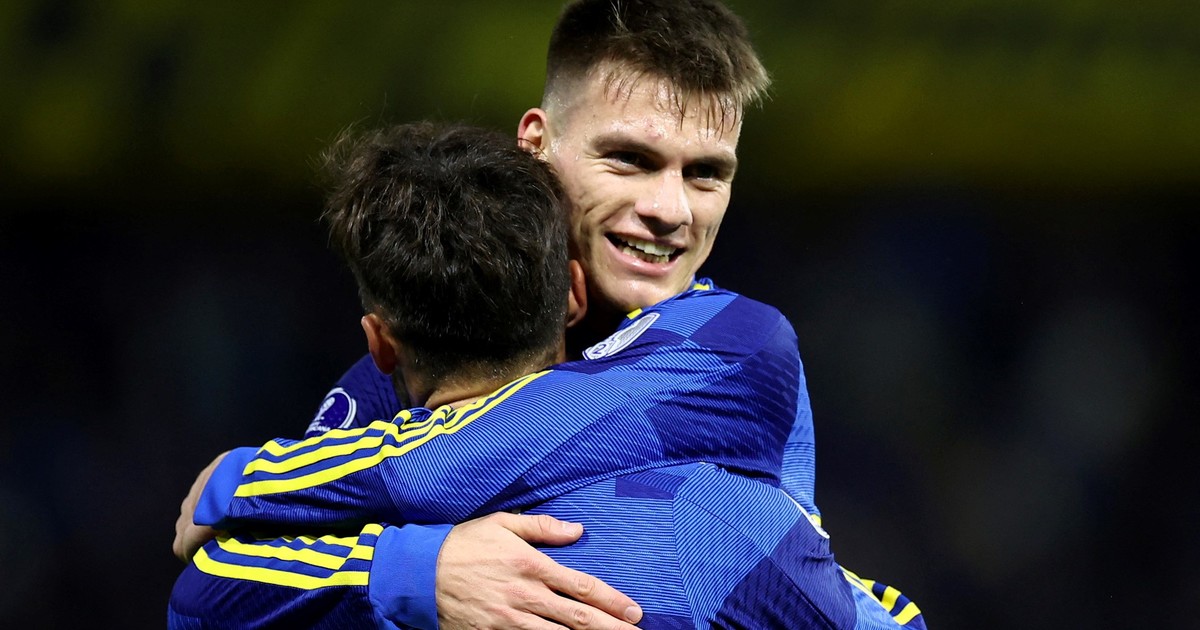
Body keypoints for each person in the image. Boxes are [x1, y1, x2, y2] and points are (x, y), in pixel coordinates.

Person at [174, 1, 923, 627]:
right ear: (537, 143)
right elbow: (212, 591)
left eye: (706, 174)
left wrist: (249, 477)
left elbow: (465, 457)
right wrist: (413, 573)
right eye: (629, 159)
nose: (670, 210)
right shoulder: (418, 354)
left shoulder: (737, 348)